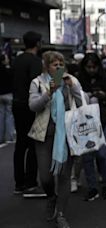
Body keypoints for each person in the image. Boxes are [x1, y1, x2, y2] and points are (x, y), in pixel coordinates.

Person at [28, 51, 84, 228]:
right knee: (45, 177)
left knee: (65, 176)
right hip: (44, 135)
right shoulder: (37, 82)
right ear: (46, 66)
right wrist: (49, 93)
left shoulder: (71, 80)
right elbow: (33, 106)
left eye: (61, 63)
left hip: (67, 134)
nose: (59, 67)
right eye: (54, 64)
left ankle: (61, 213)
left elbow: (83, 103)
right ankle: (51, 197)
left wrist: (72, 87)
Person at [78, 53, 106, 201]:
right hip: (85, 120)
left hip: (104, 119)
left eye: (94, 67)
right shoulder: (79, 80)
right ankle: (92, 188)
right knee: (87, 156)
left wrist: (103, 95)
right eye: (88, 67)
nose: (91, 70)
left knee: (103, 153)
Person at [12, 31, 46, 197]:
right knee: (33, 143)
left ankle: (19, 183)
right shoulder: (35, 61)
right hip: (30, 106)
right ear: (37, 43)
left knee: (20, 144)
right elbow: (36, 84)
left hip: (16, 103)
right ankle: (30, 183)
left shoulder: (17, 59)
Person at [0, 53, 14, 147]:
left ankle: (0, 137)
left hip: (0, 95)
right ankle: (9, 137)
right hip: (8, 94)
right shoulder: (8, 70)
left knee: (1, 116)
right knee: (9, 116)